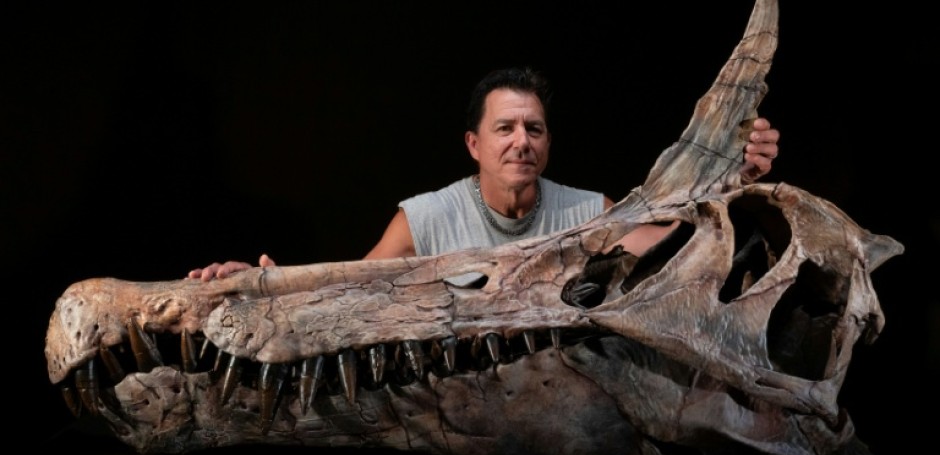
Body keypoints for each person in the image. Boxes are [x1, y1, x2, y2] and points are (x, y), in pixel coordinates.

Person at [188, 66, 779, 281]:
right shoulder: (425, 217)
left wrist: (735, 182)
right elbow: (350, 286)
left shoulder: (587, 211)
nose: (522, 142)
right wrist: (265, 284)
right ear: (474, 144)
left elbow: (681, 252)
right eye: (505, 129)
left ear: (548, 144)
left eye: (535, 130)